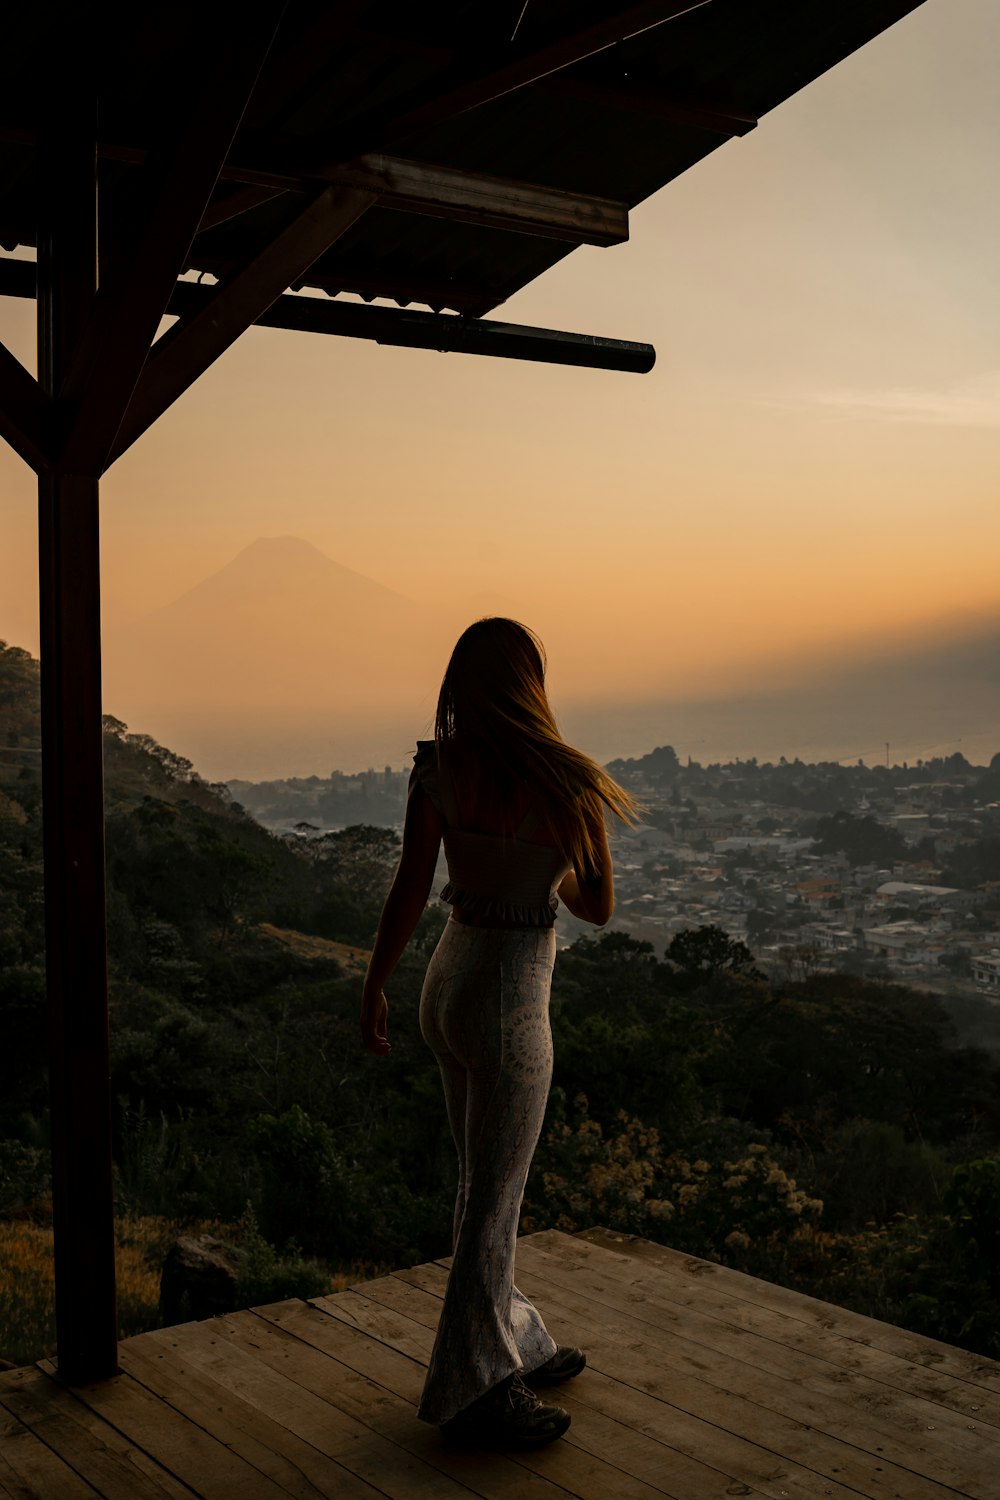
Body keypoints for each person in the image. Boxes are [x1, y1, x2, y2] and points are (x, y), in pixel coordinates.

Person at [360, 618, 636, 1450]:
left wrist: (375, 983)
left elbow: (411, 886)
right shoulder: (567, 780)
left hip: (445, 984)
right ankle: (478, 1391)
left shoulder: (438, 768)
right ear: (532, 683)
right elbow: (596, 907)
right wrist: (557, 851)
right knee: (495, 1197)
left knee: (479, 1183)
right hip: (512, 998)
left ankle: (516, 1337)